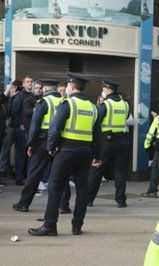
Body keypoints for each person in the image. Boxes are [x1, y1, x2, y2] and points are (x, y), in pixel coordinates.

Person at [27, 73, 103, 237]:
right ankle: (77, 226)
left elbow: (55, 129)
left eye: (68, 85)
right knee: (82, 189)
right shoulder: (92, 107)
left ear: (72, 87)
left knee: (54, 186)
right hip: (85, 153)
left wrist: (51, 147)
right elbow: (98, 135)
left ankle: (50, 226)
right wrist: (98, 155)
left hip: (66, 152)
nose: (66, 88)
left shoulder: (67, 104)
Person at [12, 78, 70, 214]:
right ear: (56, 88)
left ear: (44, 89)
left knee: (35, 173)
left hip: (42, 142)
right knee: (62, 175)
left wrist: (30, 144)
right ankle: (64, 206)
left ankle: (24, 203)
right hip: (60, 142)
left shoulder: (44, 102)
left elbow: (35, 124)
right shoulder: (65, 102)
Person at [87, 78, 130, 207]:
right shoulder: (125, 105)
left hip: (107, 142)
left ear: (109, 90)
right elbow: (126, 118)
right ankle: (121, 201)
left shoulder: (105, 105)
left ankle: (89, 199)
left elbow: (96, 121)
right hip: (121, 141)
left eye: (103, 89)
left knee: (97, 170)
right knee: (120, 172)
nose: (102, 91)